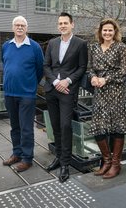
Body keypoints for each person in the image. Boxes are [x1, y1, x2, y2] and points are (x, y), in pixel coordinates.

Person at [43, 12, 88, 183]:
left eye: (65, 23)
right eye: (60, 23)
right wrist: (55, 82)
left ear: (72, 24)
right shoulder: (53, 43)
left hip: (68, 91)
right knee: (55, 126)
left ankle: (65, 165)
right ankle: (59, 157)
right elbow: (46, 65)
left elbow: (82, 67)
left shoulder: (80, 44)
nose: (62, 26)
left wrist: (67, 81)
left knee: (66, 125)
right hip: (52, 89)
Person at [87, 18, 126, 179]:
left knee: (117, 127)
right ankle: (106, 161)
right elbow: (90, 68)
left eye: (110, 30)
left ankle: (116, 164)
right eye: (104, 30)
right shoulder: (93, 47)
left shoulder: (121, 47)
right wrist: (93, 77)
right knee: (98, 127)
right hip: (100, 92)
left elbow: (125, 70)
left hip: (117, 92)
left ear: (115, 32)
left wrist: (106, 79)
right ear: (100, 32)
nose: (107, 33)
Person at [1, 15, 44, 172]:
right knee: (15, 126)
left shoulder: (34, 47)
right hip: (9, 93)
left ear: (27, 28)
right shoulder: (6, 46)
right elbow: (5, 64)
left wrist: (30, 85)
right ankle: (16, 153)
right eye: (17, 25)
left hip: (27, 94)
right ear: (13, 27)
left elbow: (40, 69)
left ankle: (27, 158)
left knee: (26, 127)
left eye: (22, 25)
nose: (19, 27)